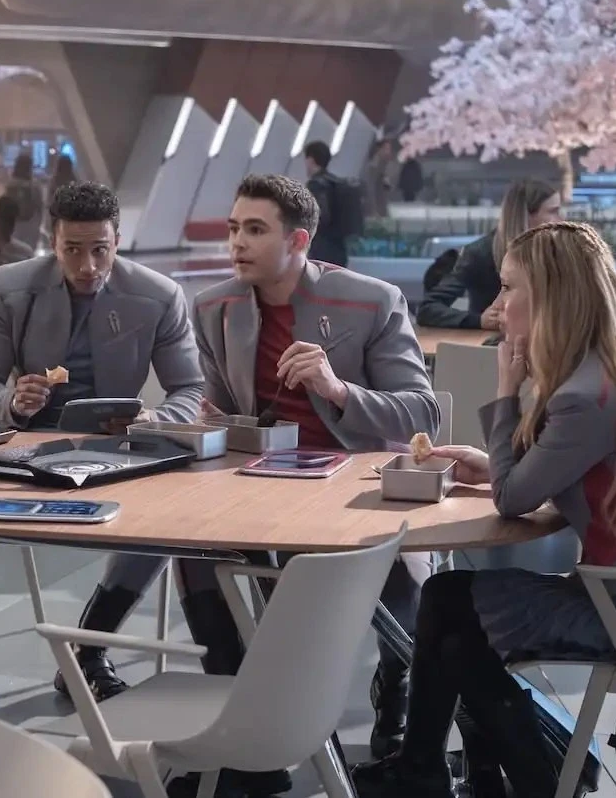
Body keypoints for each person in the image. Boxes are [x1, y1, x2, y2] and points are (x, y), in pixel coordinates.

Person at [52, 176, 440, 798]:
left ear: (299, 240)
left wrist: (337, 390)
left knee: (400, 586)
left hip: (359, 491)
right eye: (234, 228)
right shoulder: (215, 307)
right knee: (197, 554)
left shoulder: (372, 301)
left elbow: (423, 415)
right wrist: (196, 422)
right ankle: (241, 740)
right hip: (266, 486)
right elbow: (231, 411)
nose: (237, 241)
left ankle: (394, 692)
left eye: (255, 230)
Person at [352, 222, 616, 798]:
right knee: (457, 627)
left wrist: (506, 388)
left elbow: (512, 499)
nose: (497, 307)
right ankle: (464, 773)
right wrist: (494, 459)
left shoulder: (583, 395)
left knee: (450, 603)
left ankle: (482, 775)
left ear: (552, 297)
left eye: (508, 288)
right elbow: (587, 479)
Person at [0, 181, 206, 641]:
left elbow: (190, 388)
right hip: (25, 445)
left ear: (118, 242)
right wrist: (10, 401)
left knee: (175, 522)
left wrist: (153, 421)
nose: (88, 267)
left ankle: (91, 643)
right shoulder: (10, 286)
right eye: (73, 250)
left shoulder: (160, 295)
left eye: (101, 250)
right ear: (52, 244)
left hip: (122, 448)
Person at [415, 179, 561, 330]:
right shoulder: (480, 253)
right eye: (553, 211)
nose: (560, 219)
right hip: (490, 345)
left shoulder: (557, 252)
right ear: (527, 216)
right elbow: (428, 309)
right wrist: (477, 320)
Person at [302, 140, 350, 267]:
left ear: (311, 160)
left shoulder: (316, 185)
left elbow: (320, 216)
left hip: (322, 250)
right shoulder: (336, 183)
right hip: (339, 248)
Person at [4, 152, 44, 252]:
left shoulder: (10, 185)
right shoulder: (34, 185)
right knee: (28, 252)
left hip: (14, 224)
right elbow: (39, 206)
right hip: (30, 223)